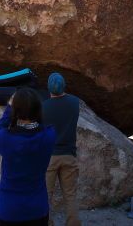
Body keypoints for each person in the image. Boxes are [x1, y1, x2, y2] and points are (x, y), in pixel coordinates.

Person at [0, 88, 57, 226]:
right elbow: (40, 126)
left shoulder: (5, 138)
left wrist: (9, 109)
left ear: (16, 110)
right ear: (38, 108)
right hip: (38, 209)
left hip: (9, 209)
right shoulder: (49, 135)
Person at [42, 73, 81, 226]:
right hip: (69, 154)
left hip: (49, 157)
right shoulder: (74, 102)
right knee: (70, 195)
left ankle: (47, 223)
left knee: (46, 195)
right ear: (64, 85)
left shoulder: (44, 106)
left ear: (48, 88)